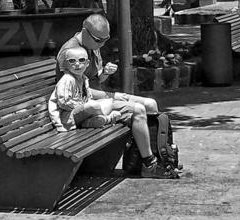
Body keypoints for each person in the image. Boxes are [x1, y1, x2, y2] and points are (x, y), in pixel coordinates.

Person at [56, 13, 179, 173]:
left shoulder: (92, 46)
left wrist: (105, 74)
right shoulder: (71, 53)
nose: (102, 44)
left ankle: (156, 157)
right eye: (98, 40)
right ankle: (150, 163)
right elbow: (76, 93)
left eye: (105, 40)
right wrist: (109, 96)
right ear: (84, 32)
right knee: (139, 110)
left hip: (97, 99)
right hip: (80, 107)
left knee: (150, 104)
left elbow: (95, 80)